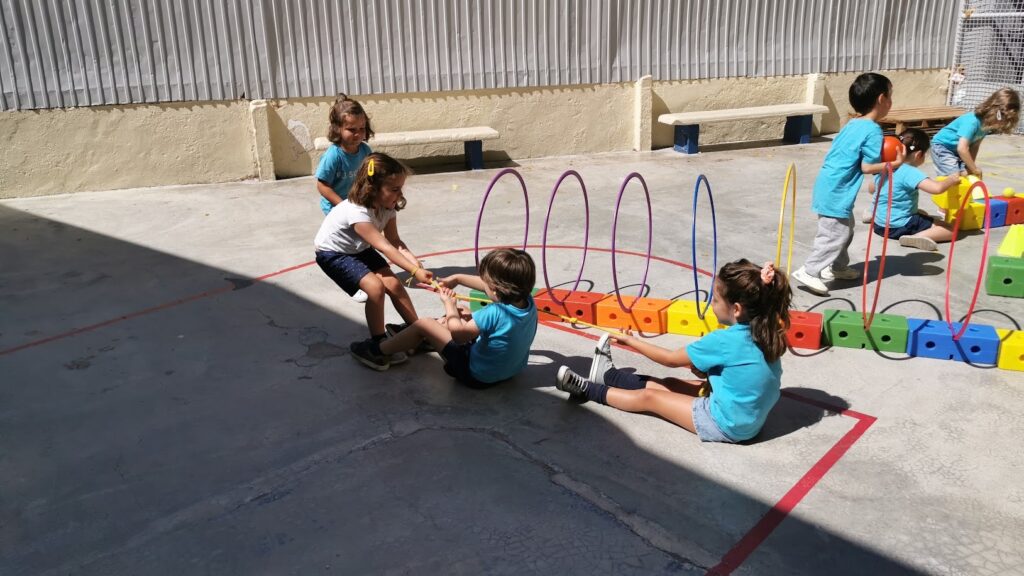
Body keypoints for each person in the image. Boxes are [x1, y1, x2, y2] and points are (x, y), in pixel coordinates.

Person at [553, 259, 792, 444]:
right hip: (748, 418)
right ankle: (609, 376)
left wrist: (631, 341)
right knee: (671, 384)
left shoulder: (725, 340)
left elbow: (669, 359)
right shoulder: (769, 329)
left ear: (736, 309)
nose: (711, 304)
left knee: (651, 398)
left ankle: (587, 390)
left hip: (727, 423)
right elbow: (743, 370)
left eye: (716, 300)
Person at [351, 249, 538, 389]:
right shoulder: (527, 301)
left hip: (476, 375)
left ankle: (376, 351)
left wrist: (449, 305)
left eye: (486, 283)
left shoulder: (495, 311)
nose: (483, 285)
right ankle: (424, 340)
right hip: (509, 371)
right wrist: (457, 278)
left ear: (496, 290)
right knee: (462, 311)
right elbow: (489, 290)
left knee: (425, 324)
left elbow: (459, 336)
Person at [314, 153, 432, 368]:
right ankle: (377, 345)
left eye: (400, 188)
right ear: (373, 188)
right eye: (394, 189)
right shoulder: (357, 212)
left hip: (358, 249)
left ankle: (416, 331)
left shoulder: (388, 207)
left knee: (394, 284)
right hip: (333, 253)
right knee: (375, 288)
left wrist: (415, 264)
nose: (399, 193)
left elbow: (395, 241)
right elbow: (384, 246)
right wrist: (414, 272)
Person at [792, 72, 904, 296]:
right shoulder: (873, 130)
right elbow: (867, 167)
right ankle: (809, 270)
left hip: (829, 183)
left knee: (845, 227)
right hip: (837, 189)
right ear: (882, 99)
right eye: (890, 96)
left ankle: (837, 266)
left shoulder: (853, 123)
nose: (891, 101)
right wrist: (894, 163)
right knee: (835, 234)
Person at [316, 95, 375, 302]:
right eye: (351, 129)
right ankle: (351, 283)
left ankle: (363, 273)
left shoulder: (365, 151)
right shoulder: (334, 155)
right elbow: (322, 185)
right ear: (337, 129)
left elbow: (370, 177)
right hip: (336, 207)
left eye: (362, 128)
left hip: (356, 205)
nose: (358, 134)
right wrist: (342, 206)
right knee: (344, 245)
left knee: (362, 241)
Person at [871, 128, 960, 252]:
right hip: (898, 226)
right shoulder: (909, 171)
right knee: (950, 230)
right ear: (919, 155)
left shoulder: (884, 167)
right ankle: (915, 237)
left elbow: (871, 189)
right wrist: (951, 179)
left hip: (879, 225)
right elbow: (936, 188)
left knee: (922, 213)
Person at [931, 87, 1020, 180]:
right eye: (1004, 120)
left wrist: (970, 168)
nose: (1002, 124)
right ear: (996, 113)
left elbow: (975, 145)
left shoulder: (986, 125)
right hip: (942, 147)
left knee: (966, 174)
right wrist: (975, 169)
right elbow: (962, 148)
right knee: (954, 177)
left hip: (956, 150)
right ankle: (939, 187)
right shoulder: (972, 121)